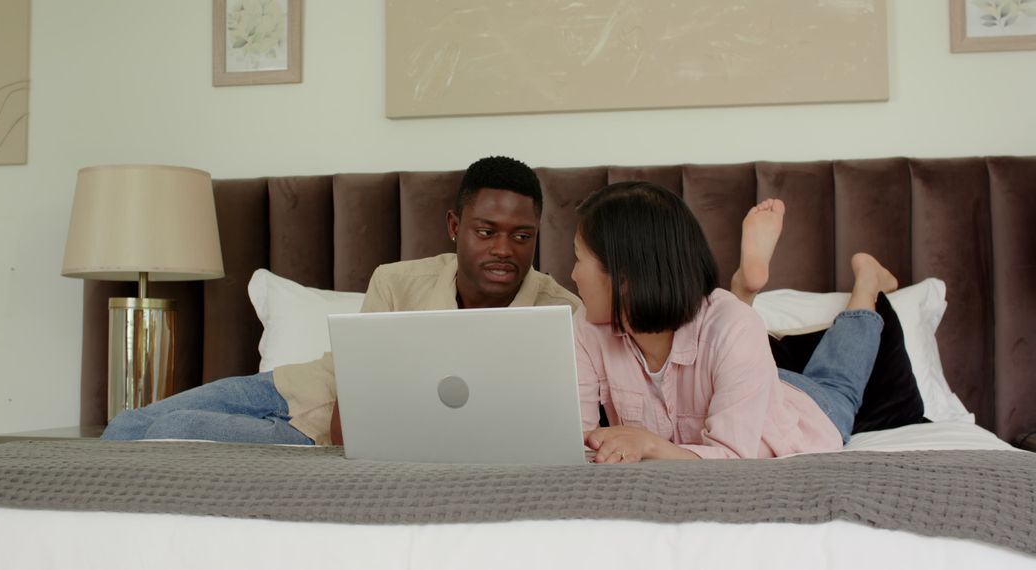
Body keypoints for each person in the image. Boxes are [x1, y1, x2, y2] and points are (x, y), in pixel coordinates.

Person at [102, 156, 581, 445]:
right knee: (129, 424)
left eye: (522, 236)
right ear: (455, 227)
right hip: (295, 387)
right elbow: (353, 392)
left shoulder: (560, 314)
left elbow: (349, 432)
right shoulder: (396, 282)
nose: (504, 249)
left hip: (322, 435)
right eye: (486, 231)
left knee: (177, 432)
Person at [572, 181, 898, 463]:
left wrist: (648, 444)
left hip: (806, 410)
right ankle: (742, 291)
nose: (572, 275)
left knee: (837, 382)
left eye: (579, 259)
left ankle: (868, 284)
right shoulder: (584, 330)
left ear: (624, 278)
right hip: (742, 377)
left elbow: (732, 462)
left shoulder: (735, 326)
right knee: (734, 331)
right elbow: (576, 447)